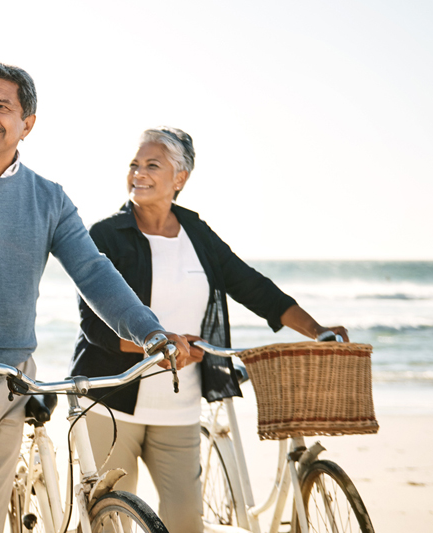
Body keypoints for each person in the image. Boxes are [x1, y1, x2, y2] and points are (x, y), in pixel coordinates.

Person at [0, 64, 192, 533]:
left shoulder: (48, 198)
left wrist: (150, 331)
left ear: (27, 123)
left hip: (11, 384)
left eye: (1, 106)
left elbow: (93, 272)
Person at [69, 127, 349, 533]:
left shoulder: (196, 233)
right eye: (134, 165)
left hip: (179, 409)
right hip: (111, 402)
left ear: (179, 178)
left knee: (186, 523)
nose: (138, 173)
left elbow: (251, 286)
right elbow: (94, 326)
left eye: (152, 165)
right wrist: (160, 347)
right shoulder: (105, 235)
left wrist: (316, 328)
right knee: (109, 524)